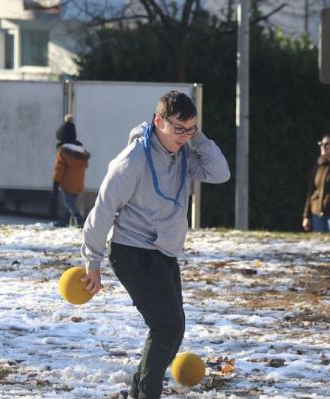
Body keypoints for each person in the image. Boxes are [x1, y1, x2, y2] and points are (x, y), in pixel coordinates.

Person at [80, 91, 230, 399]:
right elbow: (103, 209)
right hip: (132, 252)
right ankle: (147, 393)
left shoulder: (183, 153)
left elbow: (220, 173)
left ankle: (138, 391)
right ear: (158, 121)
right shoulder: (132, 161)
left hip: (164, 253)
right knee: (167, 327)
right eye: (179, 129)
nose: (184, 136)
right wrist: (92, 262)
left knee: (173, 327)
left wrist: (196, 137)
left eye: (191, 129)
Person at [51, 114, 90, 228]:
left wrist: (55, 183)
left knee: (69, 203)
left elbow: (59, 168)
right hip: (78, 184)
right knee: (69, 203)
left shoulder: (63, 151)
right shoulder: (81, 152)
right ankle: (63, 221)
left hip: (66, 183)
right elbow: (86, 165)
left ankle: (79, 219)